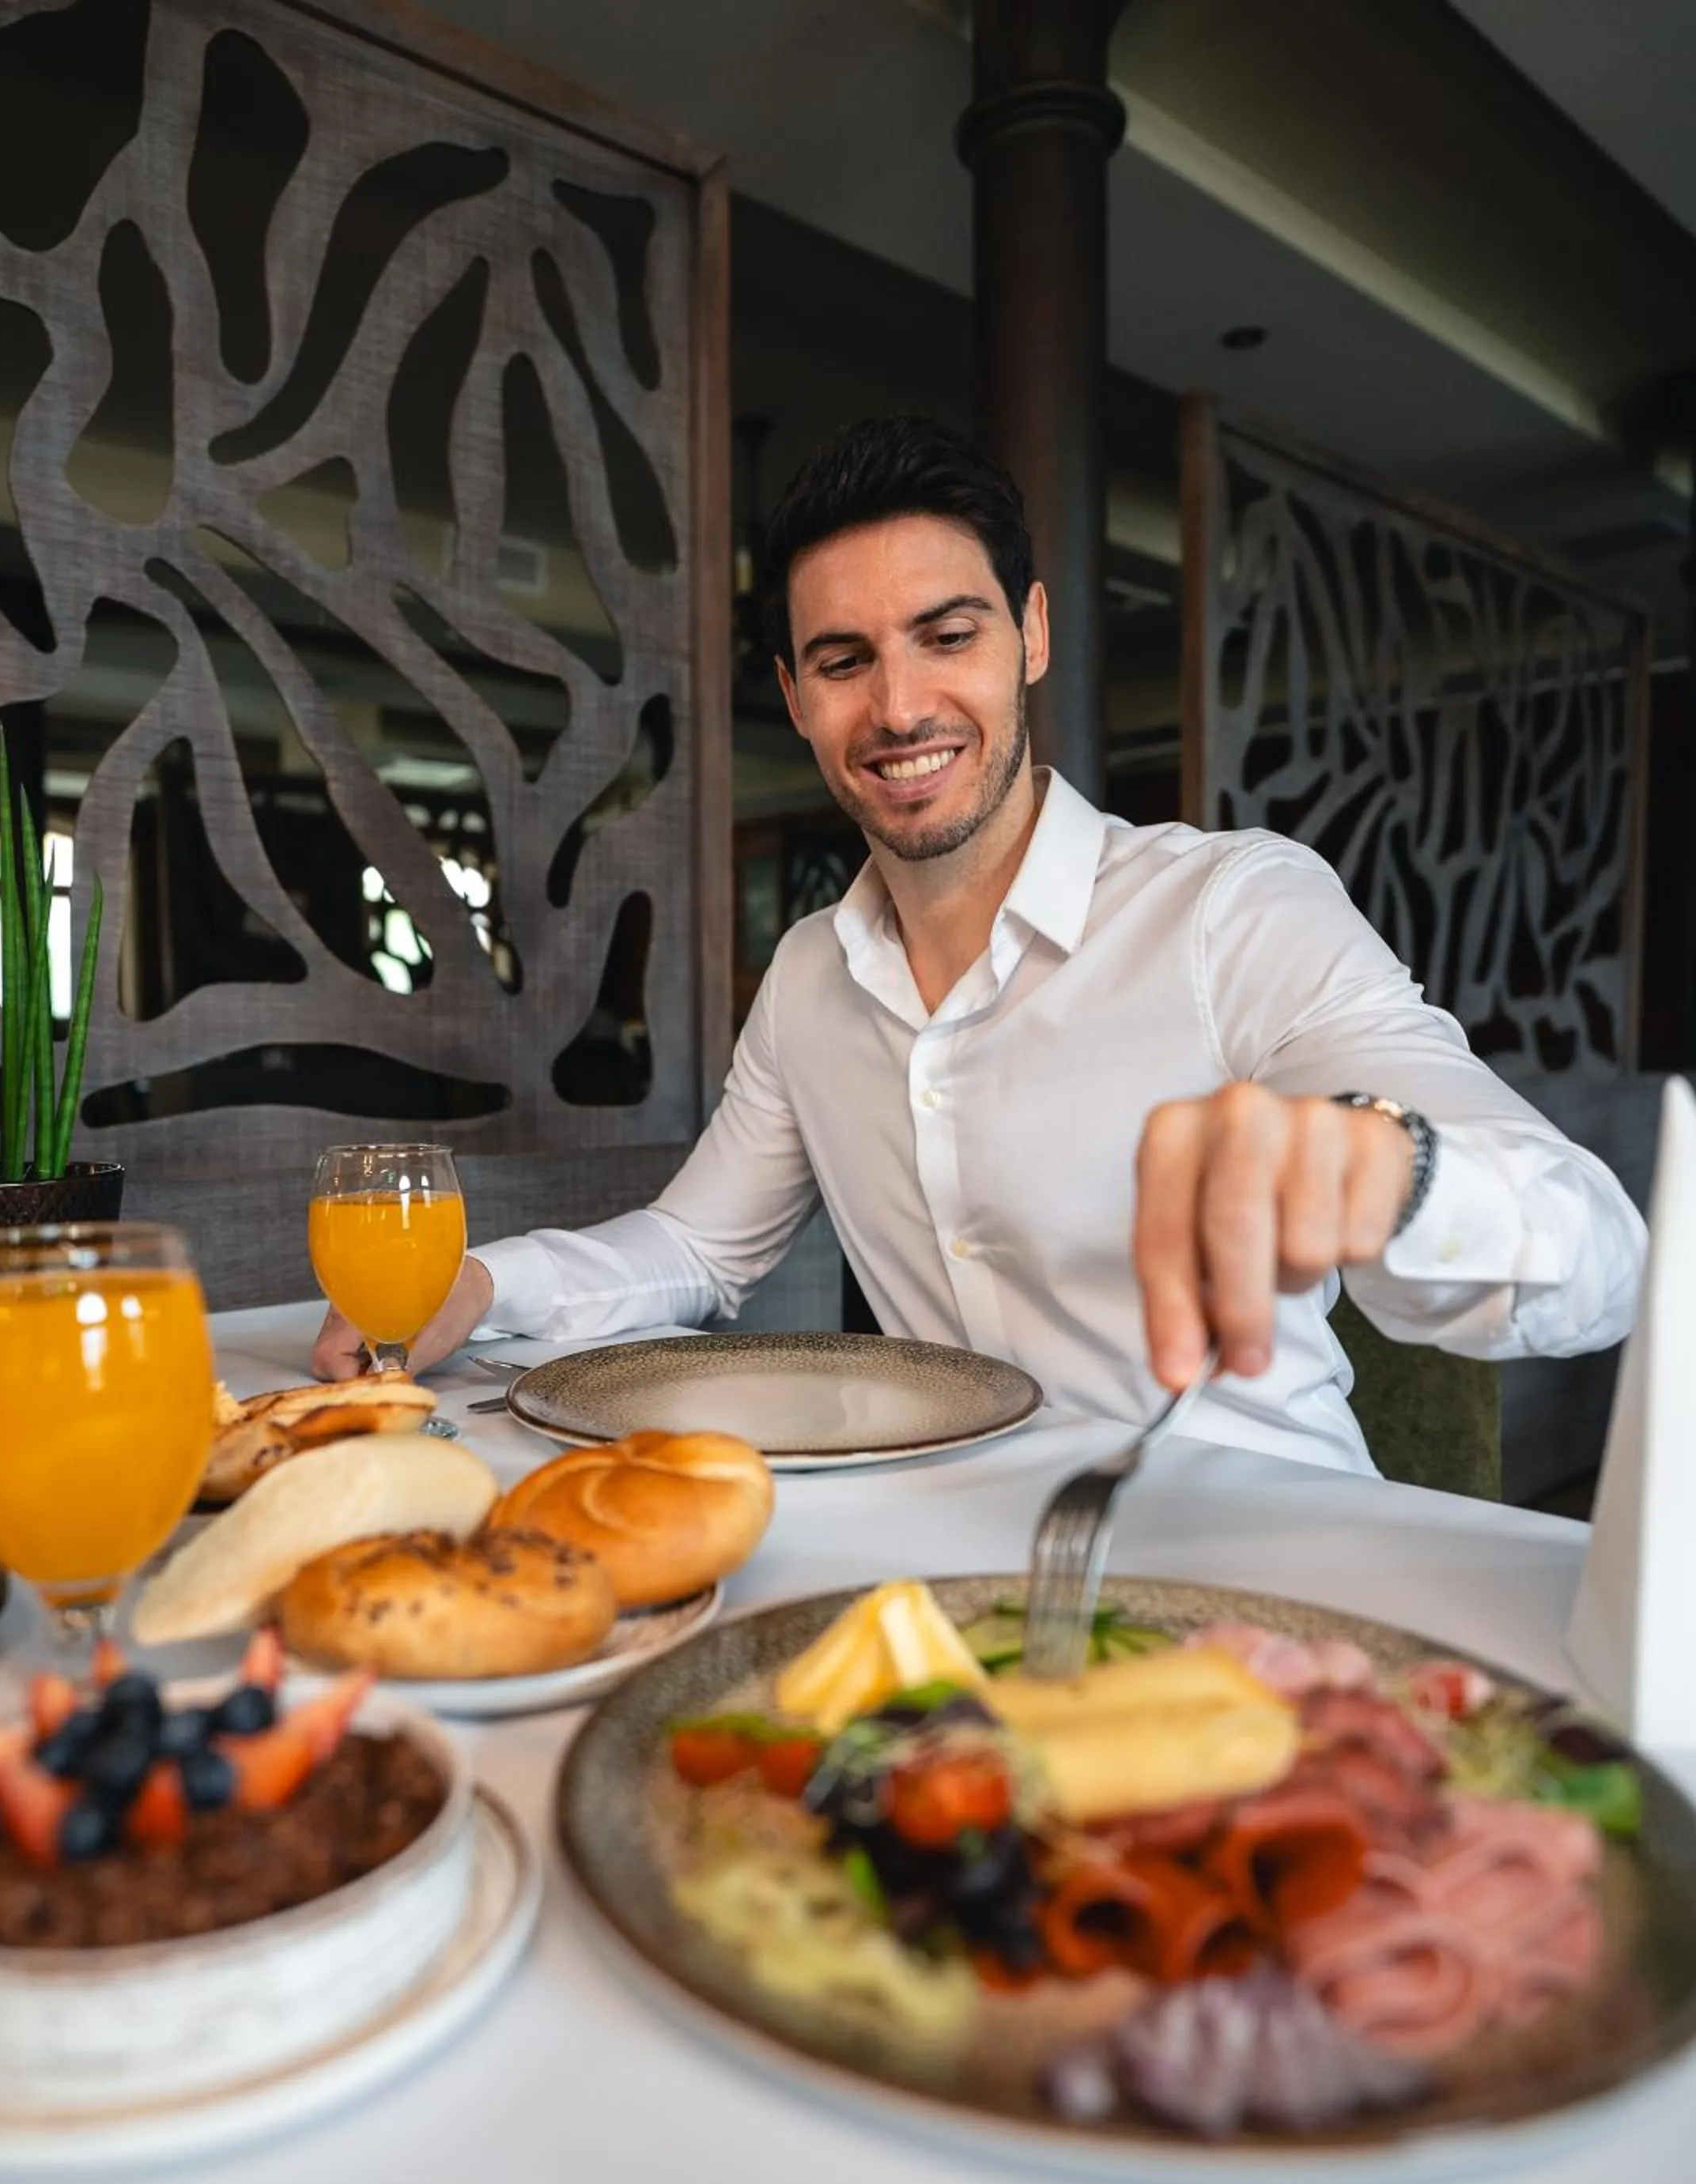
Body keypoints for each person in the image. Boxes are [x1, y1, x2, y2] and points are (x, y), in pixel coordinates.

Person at [315, 417, 1645, 1474]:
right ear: (792, 695)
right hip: (947, 1565)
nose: (900, 706)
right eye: (842, 662)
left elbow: (1603, 1261)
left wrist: (1397, 1174)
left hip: (1251, 1557)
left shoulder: (1233, 909)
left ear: (1032, 637)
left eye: (947, 637)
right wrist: (483, 1282)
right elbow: (700, 1251)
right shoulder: (808, 977)